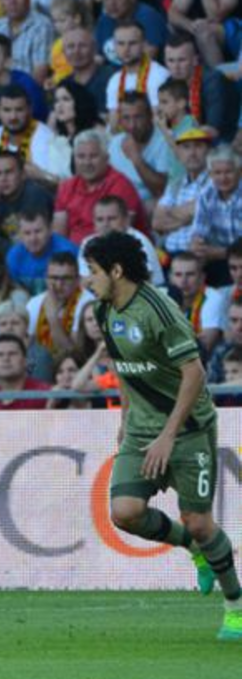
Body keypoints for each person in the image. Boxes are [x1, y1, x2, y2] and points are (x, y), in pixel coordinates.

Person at [83, 230, 242, 640]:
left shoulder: (159, 310)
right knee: (125, 512)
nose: (88, 280)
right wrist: (125, 416)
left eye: (94, 271)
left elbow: (195, 373)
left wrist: (169, 435)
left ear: (117, 271)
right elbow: (121, 364)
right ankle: (192, 547)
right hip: (141, 429)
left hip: (187, 430)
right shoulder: (104, 309)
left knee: (200, 521)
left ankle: (235, 607)